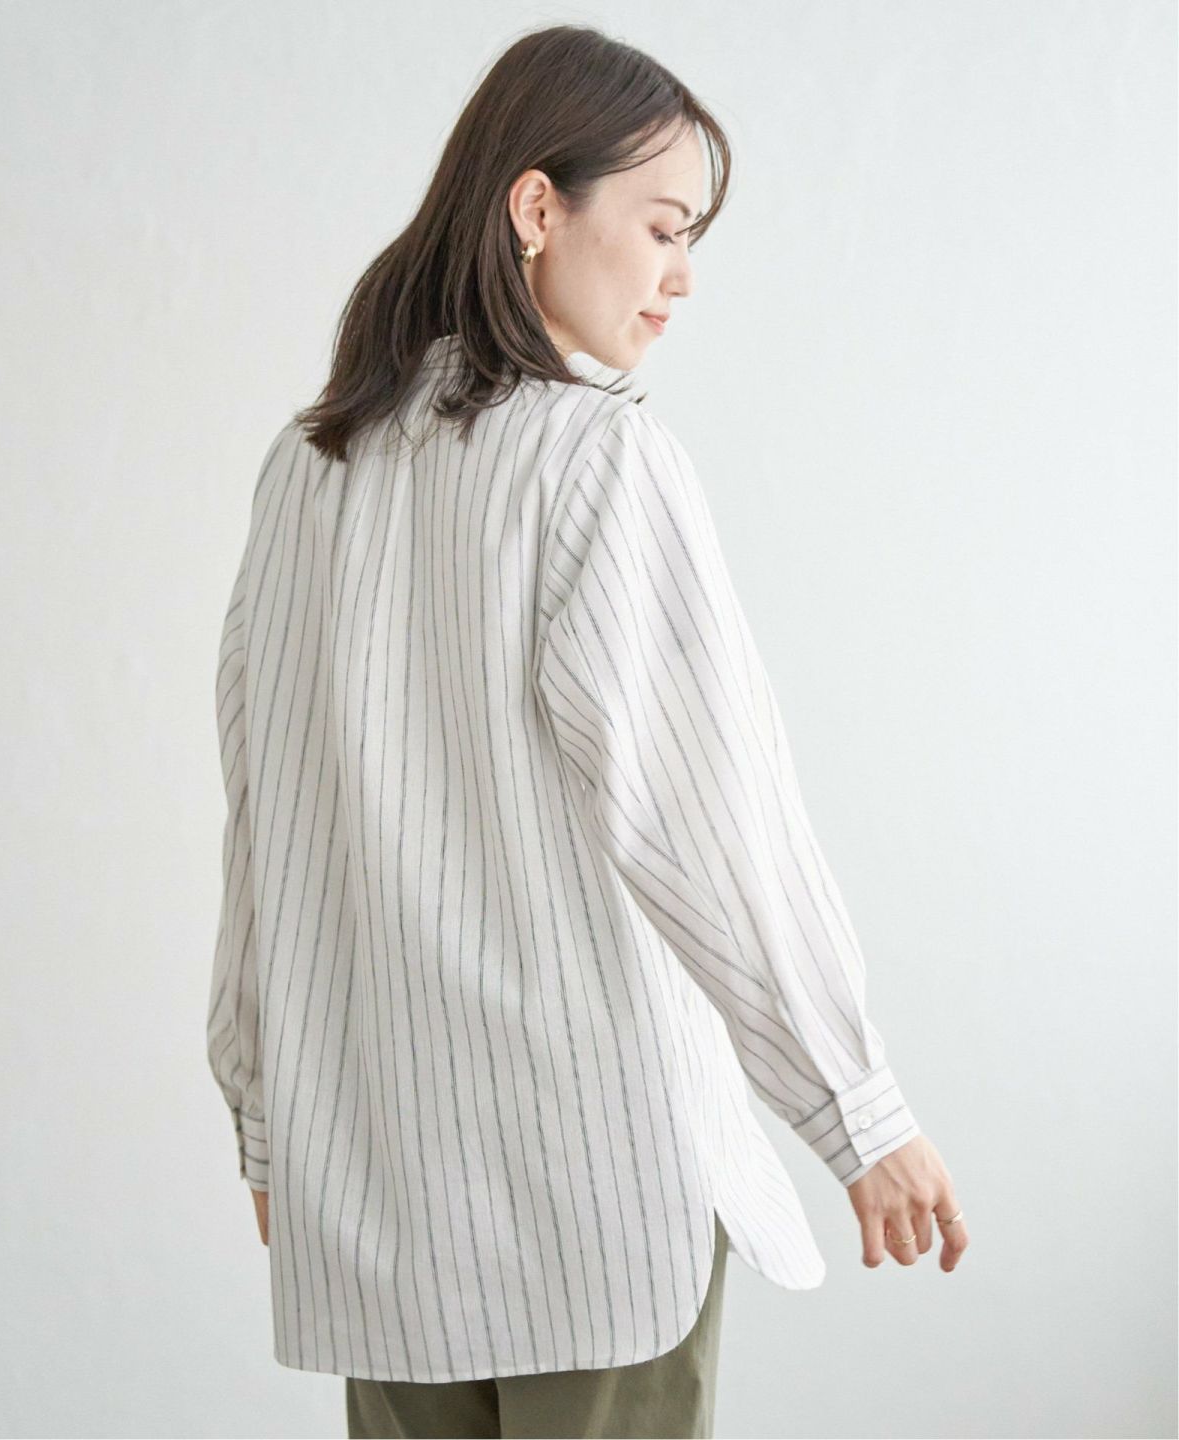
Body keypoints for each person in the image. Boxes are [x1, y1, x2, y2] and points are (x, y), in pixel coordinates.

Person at [206, 22, 968, 1440]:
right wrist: (857, 1109)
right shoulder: (597, 456)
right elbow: (708, 821)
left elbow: (265, 826)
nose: (683, 275)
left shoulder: (306, 472)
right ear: (537, 208)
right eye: (665, 227)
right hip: (592, 1193)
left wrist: (265, 1119)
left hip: (375, 1190)